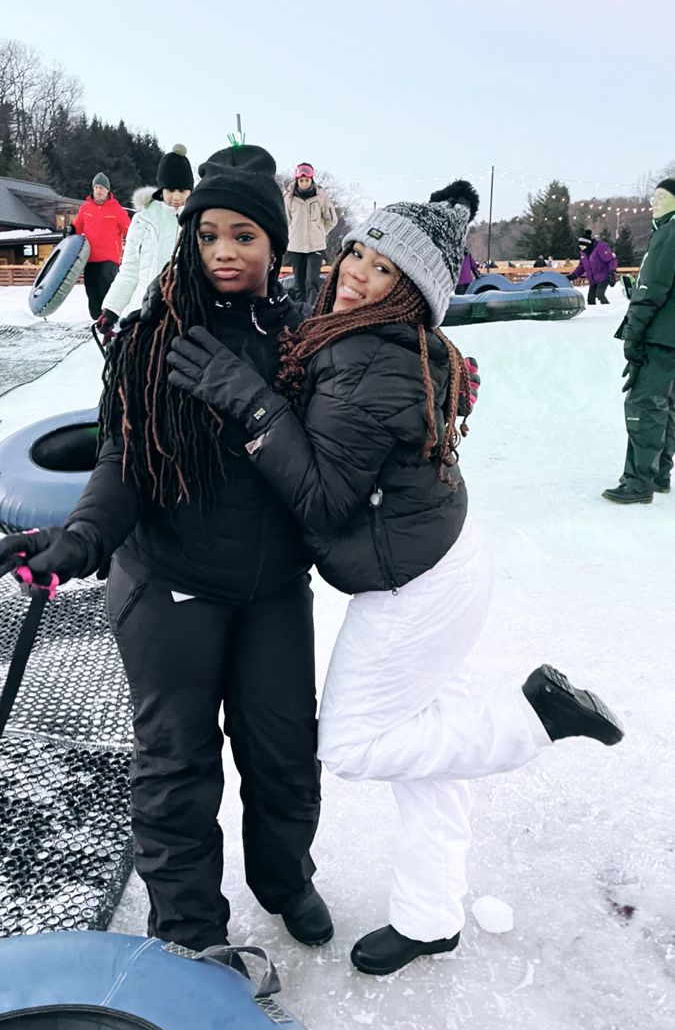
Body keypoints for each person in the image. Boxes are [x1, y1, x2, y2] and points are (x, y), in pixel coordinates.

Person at [163, 180, 625, 976]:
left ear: (409, 292)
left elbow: (326, 496)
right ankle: (429, 916)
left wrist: (250, 405)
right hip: (432, 559)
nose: (354, 272)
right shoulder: (372, 339)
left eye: (381, 269)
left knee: (353, 742)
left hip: (415, 584)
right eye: (357, 252)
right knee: (430, 753)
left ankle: (534, 717)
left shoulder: (373, 360)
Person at [0, 144, 333, 955]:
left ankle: (284, 877)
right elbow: (122, 461)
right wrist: (80, 537)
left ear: (272, 246)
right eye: (210, 232)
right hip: (171, 585)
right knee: (177, 768)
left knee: (285, 754)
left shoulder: (303, 340)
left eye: (245, 235)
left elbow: (332, 461)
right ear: (188, 236)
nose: (225, 250)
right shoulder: (153, 335)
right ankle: (188, 928)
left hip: (272, 591)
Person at [602, 177, 675, 504]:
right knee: (667, 406)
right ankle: (659, 474)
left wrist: (633, 335)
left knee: (645, 406)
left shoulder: (669, 234)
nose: (652, 204)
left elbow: (651, 291)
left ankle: (638, 481)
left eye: (660, 198)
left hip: (660, 338)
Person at [96, 145, 194, 343]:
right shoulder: (143, 220)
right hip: (142, 313)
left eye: (182, 190)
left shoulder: (198, 221)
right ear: (161, 189)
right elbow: (130, 270)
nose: (176, 197)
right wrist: (111, 309)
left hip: (186, 315)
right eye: (171, 190)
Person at [69, 172, 131, 320]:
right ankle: (97, 320)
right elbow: (77, 228)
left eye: (102, 187)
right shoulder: (85, 208)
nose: (99, 190)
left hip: (109, 259)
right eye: (96, 187)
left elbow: (130, 231)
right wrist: (70, 230)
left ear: (108, 190)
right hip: (89, 258)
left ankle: (109, 319)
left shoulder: (117, 210)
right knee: (91, 290)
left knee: (106, 286)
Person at [283, 162, 337, 306]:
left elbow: (331, 219)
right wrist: (292, 234)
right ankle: (300, 309)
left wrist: (320, 232)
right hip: (296, 246)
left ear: (311, 180)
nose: (304, 183)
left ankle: (312, 308)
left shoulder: (321, 197)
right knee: (299, 281)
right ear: (297, 181)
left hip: (316, 247)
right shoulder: (289, 199)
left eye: (307, 180)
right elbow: (286, 221)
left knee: (312, 281)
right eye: (301, 180)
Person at [567, 229, 617, 304]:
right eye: (580, 245)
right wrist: (573, 276)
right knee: (590, 299)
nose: (580, 247)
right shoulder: (583, 253)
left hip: (604, 275)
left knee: (599, 294)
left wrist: (612, 272)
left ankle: (607, 310)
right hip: (593, 279)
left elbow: (611, 260)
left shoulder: (600, 247)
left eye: (582, 245)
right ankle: (593, 313)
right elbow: (581, 267)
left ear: (588, 244)